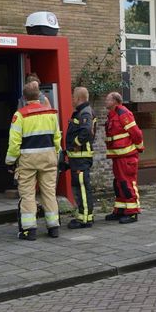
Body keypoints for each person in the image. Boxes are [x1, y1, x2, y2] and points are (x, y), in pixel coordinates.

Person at [6, 82, 62, 240]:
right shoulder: (51, 113)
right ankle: (54, 227)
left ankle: (29, 230)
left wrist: (10, 161)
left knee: (28, 195)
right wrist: (55, 153)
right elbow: (57, 138)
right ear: (39, 95)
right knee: (49, 193)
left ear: (24, 97)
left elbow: (14, 143)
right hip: (49, 158)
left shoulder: (20, 115)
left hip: (28, 161)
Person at [103, 91, 143, 224]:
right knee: (119, 184)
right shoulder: (112, 114)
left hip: (126, 156)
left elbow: (136, 133)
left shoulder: (123, 113)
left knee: (127, 183)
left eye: (108, 99)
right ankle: (120, 210)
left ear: (115, 101)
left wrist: (139, 147)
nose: (105, 101)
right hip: (118, 156)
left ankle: (132, 212)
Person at [63, 86, 97, 228]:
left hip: (81, 158)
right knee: (78, 186)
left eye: (73, 97)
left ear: (78, 98)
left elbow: (86, 132)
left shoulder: (85, 113)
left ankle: (85, 219)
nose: (71, 100)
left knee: (82, 187)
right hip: (77, 158)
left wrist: (75, 144)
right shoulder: (82, 111)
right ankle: (83, 215)